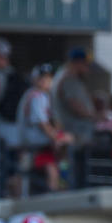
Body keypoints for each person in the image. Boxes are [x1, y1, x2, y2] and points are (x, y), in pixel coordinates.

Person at [18, 63, 71, 194]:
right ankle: (53, 201)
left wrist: (61, 136)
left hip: (44, 146)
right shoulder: (35, 95)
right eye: (42, 78)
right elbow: (43, 125)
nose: (45, 81)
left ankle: (61, 193)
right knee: (49, 171)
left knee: (63, 164)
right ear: (35, 79)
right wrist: (58, 138)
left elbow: (56, 122)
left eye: (48, 78)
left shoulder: (48, 96)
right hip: (33, 147)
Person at [53, 48, 96, 149]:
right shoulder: (68, 78)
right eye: (85, 64)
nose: (87, 68)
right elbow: (74, 104)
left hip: (72, 131)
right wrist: (94, 116)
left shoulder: (67, 76)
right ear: (78, 63)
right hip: (73, 131)